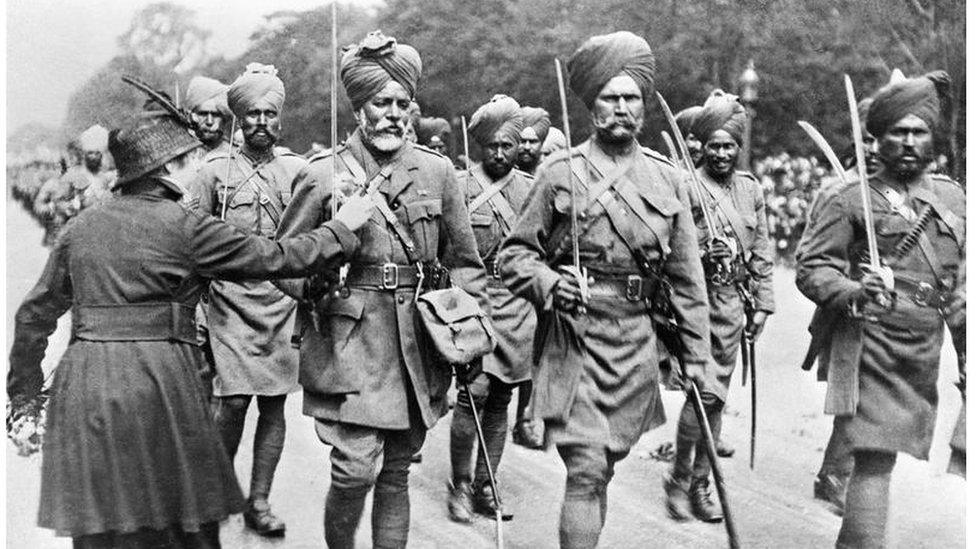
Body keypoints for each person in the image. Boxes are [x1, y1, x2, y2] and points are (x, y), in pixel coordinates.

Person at [6, 105, 373, 549]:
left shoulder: (80, 229)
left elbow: (33, 316)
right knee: (180, 518)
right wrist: (342, 229)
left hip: (84, 384)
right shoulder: (189, 228)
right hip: (160, 380)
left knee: (101, 523)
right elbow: (276, 258)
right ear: (169, 168)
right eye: (191, 159)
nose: (199, 166)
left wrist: (23, 395)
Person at [274, 30, 489, 549]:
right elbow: (284, 262)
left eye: (402, 104)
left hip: (415, 342)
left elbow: (464, 263)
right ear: (359, 109)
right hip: (348, 342)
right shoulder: (324, 175)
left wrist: (465, 325)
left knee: (396, 471)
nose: (393, 114)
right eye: (381, 103)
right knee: (353, 472)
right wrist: (322, 270)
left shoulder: (437, 173)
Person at [497, 31, 712, 549]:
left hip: (635, 343)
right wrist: (550, 282)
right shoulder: (558, 172)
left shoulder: (669, 180)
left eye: (631, 98)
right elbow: (513, 257)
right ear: (591, 105)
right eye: (610, 98)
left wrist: (699, 358)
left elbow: (687, 278)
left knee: (605, 467)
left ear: (644, 107)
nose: (621, 108)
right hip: (574, 341)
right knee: (587, 469)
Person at [796, 70, 965, 549]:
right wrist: (853, 289)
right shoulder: (850, 199)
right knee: (875, 458)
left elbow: (959, 282)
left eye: (919, 132)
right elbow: (812, 267)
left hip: (922, 349)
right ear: (879, 138)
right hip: (868, 341)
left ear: (932, 138)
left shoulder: (953, 199)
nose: (909, 142)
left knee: (887, 458)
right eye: (898, 132)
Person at [188, 63, 308, 537]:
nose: (261, 121)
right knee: (233, 402)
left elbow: (317, 230)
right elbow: (189, 238)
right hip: (228, 300)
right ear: (238, 118)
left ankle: (259, 500)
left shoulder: (299, 170)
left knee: (275, 405)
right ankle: (219, 490)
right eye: (252, 113)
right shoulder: (214, 171)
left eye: (269, 113)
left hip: (282, 300)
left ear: (280, 118)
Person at [664, 89, 776, 523]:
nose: (723, 153)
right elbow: (666, 243)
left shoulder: (750, 191)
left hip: (733, 305)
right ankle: (682, 483)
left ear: (738, 148)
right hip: (695, 301)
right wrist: (696, 255)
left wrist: (762, 303)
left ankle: (697, 481)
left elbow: (762, 252)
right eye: (715, 146)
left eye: (729, 146)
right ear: (703, 148)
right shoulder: (686, 186)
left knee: (715, 398)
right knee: (702, 392)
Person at [448, 94, 535, 522]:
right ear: (480, 145)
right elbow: (447, 250)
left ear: (520, 147)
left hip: (518, 304)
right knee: (472, 395)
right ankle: (460, 484)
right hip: (473, 299)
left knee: (500, 398)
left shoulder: (532, 189)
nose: (500, 154)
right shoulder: (461, 186)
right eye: (492, 146)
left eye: (509, 146)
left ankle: (487, 482)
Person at [797, 95, 881, 515]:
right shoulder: (839, 191)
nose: (873, 148)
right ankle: (835, 474)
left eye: (879, 138)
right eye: (866, 139)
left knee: (875, 396)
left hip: (892, 311)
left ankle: (841, 470)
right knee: (855, 394)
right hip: (849, 306)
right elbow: (816, 255)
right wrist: (849, 284)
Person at [185, 75, 232, 155]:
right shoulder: (181, 154)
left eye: (216, 115)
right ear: (191, 116)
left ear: (225, 118)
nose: (209, 122)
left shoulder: (234, 155)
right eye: (203, 114)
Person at [515, 106, 551, 175]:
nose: (527, 147)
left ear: (542, 144)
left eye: (532, 142)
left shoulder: (551, 176)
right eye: (522, 141)